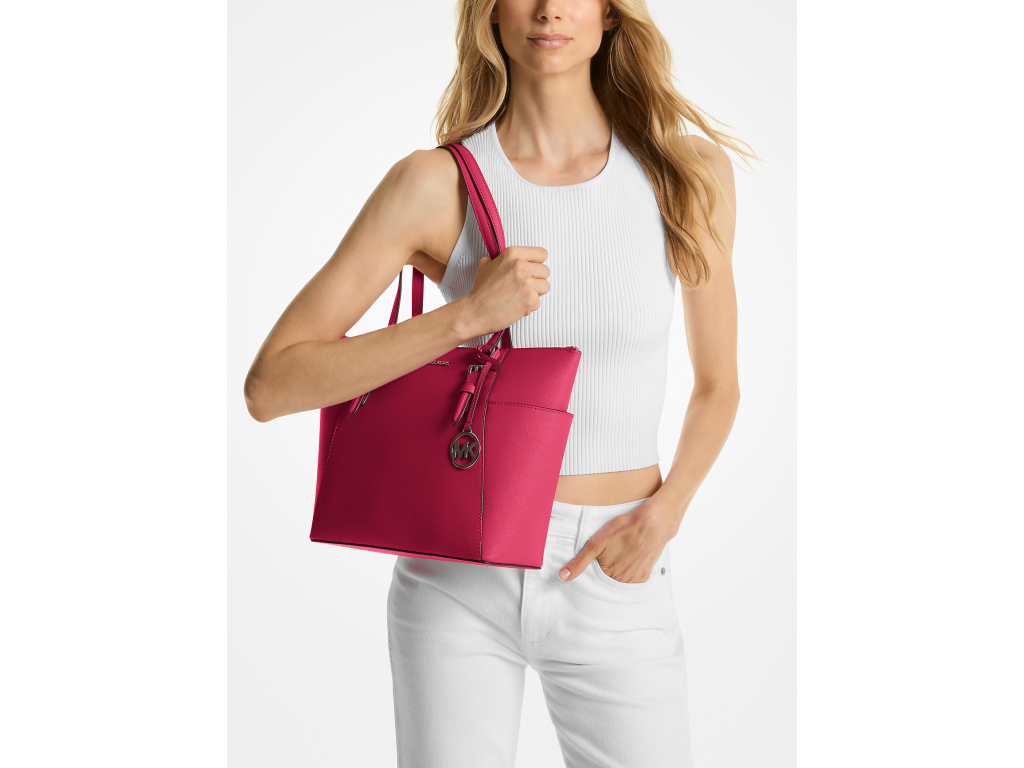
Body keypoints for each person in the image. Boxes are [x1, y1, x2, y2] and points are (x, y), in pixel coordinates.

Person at [245, 1, 754, 765]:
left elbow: (719, 385)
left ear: (610, 13)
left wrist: (665, 513)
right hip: (458, 572)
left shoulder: (683, 174)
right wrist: (463, 318)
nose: (549, 9)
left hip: (614, 559)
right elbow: (272, 384)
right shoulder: (435, 184)